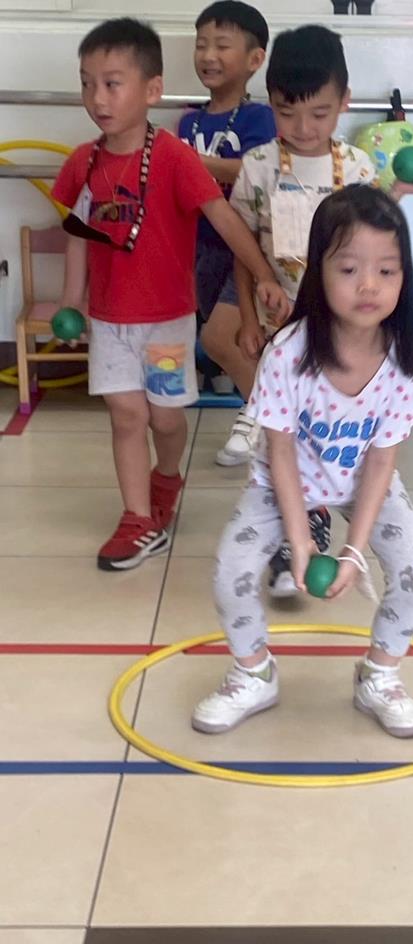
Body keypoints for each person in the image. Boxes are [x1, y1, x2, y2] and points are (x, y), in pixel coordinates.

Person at [192, 184, 413, 740]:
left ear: (405, 277)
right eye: (348, 269)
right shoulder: (288, 353)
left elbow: (382, 461)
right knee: (230, 571)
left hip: (362, 478)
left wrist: (353, 550)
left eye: (386, 271)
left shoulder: (404, 359)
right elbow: (278, 450)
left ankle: (380, 674)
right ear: (317, 272)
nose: (369, 285)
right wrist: (300, 540)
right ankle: (254, 673)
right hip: (284, 481)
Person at [52, 17, 290, 571]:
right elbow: (77, 237)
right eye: (87, 83)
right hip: (109, 322)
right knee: (126, 416)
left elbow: (226, 219)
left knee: (163, 419)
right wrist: (70, 300)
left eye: (112, 84)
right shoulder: (83, 163)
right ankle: (138, 520)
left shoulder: (174, 157)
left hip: (165, 324)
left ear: (152, 89)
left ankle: (166, 476)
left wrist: (263, 275)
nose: (97, 98)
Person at [229, 23, 413, 595]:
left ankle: (326, 522)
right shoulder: (258, 166)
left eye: (319, 113)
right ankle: (294, 533)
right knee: (286, 438)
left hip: (345, 332)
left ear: (344, 102)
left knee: (331, 433)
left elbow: (374, 233)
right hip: (285, 329)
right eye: (287, 113)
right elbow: (243, 247)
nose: (303, 128)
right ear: (270, 103)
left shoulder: (358, 167)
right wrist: (249, 311)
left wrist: (402, 192)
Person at [178, 2, 277, 463]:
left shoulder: (260, 119)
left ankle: (264, 416)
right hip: (201, 248)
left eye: (221, 45)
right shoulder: (188, 121)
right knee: (232, 341)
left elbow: (259, 170)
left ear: (255, 59)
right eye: (201, 45)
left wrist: (196, 164)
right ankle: (266, 423)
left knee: (218, 338)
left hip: (248, 249)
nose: (208, 55)